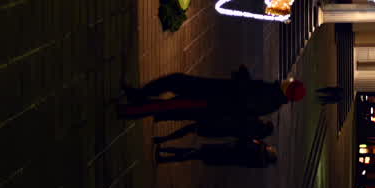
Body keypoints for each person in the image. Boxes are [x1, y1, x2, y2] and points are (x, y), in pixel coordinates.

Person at [120, 66, 306, 120]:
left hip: (211, 101)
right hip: (212, 91)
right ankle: (138, 97)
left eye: (290, 83)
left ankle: (130, 109)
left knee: (170, 104)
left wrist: (242, 79)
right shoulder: (272, 93)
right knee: (175, 82)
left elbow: (244, 102)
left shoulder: (270, 100)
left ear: (288, 89)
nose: (287, 80)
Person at [156, 138, 277, 167]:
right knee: (191, 154)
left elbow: (243, 143)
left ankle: (164, 154)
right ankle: (164, 156)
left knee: (191, 152)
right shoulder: (259, 162)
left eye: (271, 149)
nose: (270, 147)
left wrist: (255, 142)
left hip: (223, 151)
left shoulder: (257, 148)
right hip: (223, 157)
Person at [153, 115, 274, 143]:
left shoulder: (254, 121)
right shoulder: (254, 135)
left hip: (219, 121)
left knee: (190, 120)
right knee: (190, 128)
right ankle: (164, 138)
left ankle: (163, 119)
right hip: (218, 131)